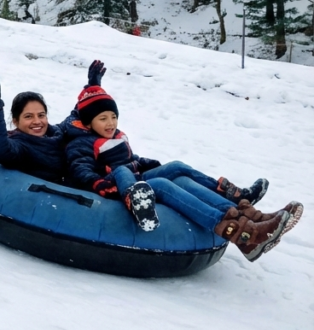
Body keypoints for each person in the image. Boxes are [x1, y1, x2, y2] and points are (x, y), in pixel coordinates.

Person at [63, 62, 302, 261]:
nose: (110, 123)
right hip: (121, 187)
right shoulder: (80, 142)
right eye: (103, 118)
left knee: (178, 171)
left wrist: (148, 163)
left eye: (113, 116)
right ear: (87, 122)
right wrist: (99, 184)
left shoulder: (113, 136)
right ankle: (240, 234)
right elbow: (79, 169)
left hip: (137, 177)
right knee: (167, 185)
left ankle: (246, 210)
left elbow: (130, 158)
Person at [0, 73, 66, 184]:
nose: (37, 121)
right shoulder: (20, 146)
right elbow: (0, 150)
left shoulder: (57, 135)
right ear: (16, 121)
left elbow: (77, 117)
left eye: (41, 115)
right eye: (28, 116)